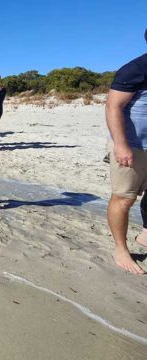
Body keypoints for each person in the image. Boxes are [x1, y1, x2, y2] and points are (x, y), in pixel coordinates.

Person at [105, 30, 147, 274]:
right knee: (124, 198)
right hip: (132, 145)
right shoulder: (136, 69)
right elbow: (113, 106)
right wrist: (121, 145)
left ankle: (144, 234)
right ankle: (120, 249)